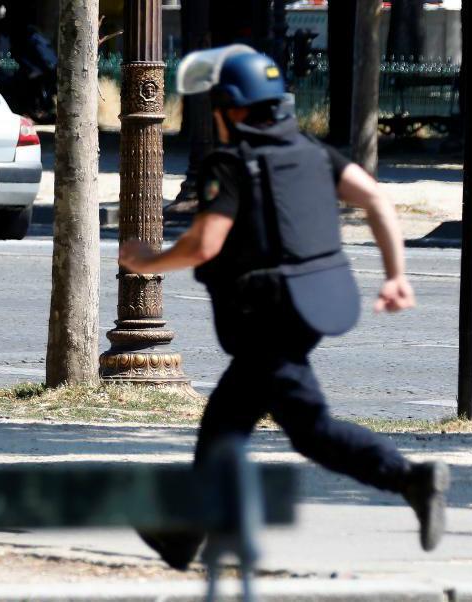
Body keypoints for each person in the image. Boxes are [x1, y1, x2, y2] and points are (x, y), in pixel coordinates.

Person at [120, 46, 450, 569]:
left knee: (310, 429)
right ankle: (183, 536)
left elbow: (206, 244)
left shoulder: (228, 166)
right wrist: (396, 276)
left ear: (230, 109)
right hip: (305, 307)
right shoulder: (311, 151)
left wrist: (147, 261)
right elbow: (378, 200)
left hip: (264, 320)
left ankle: (410, 478)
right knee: (224, 424)